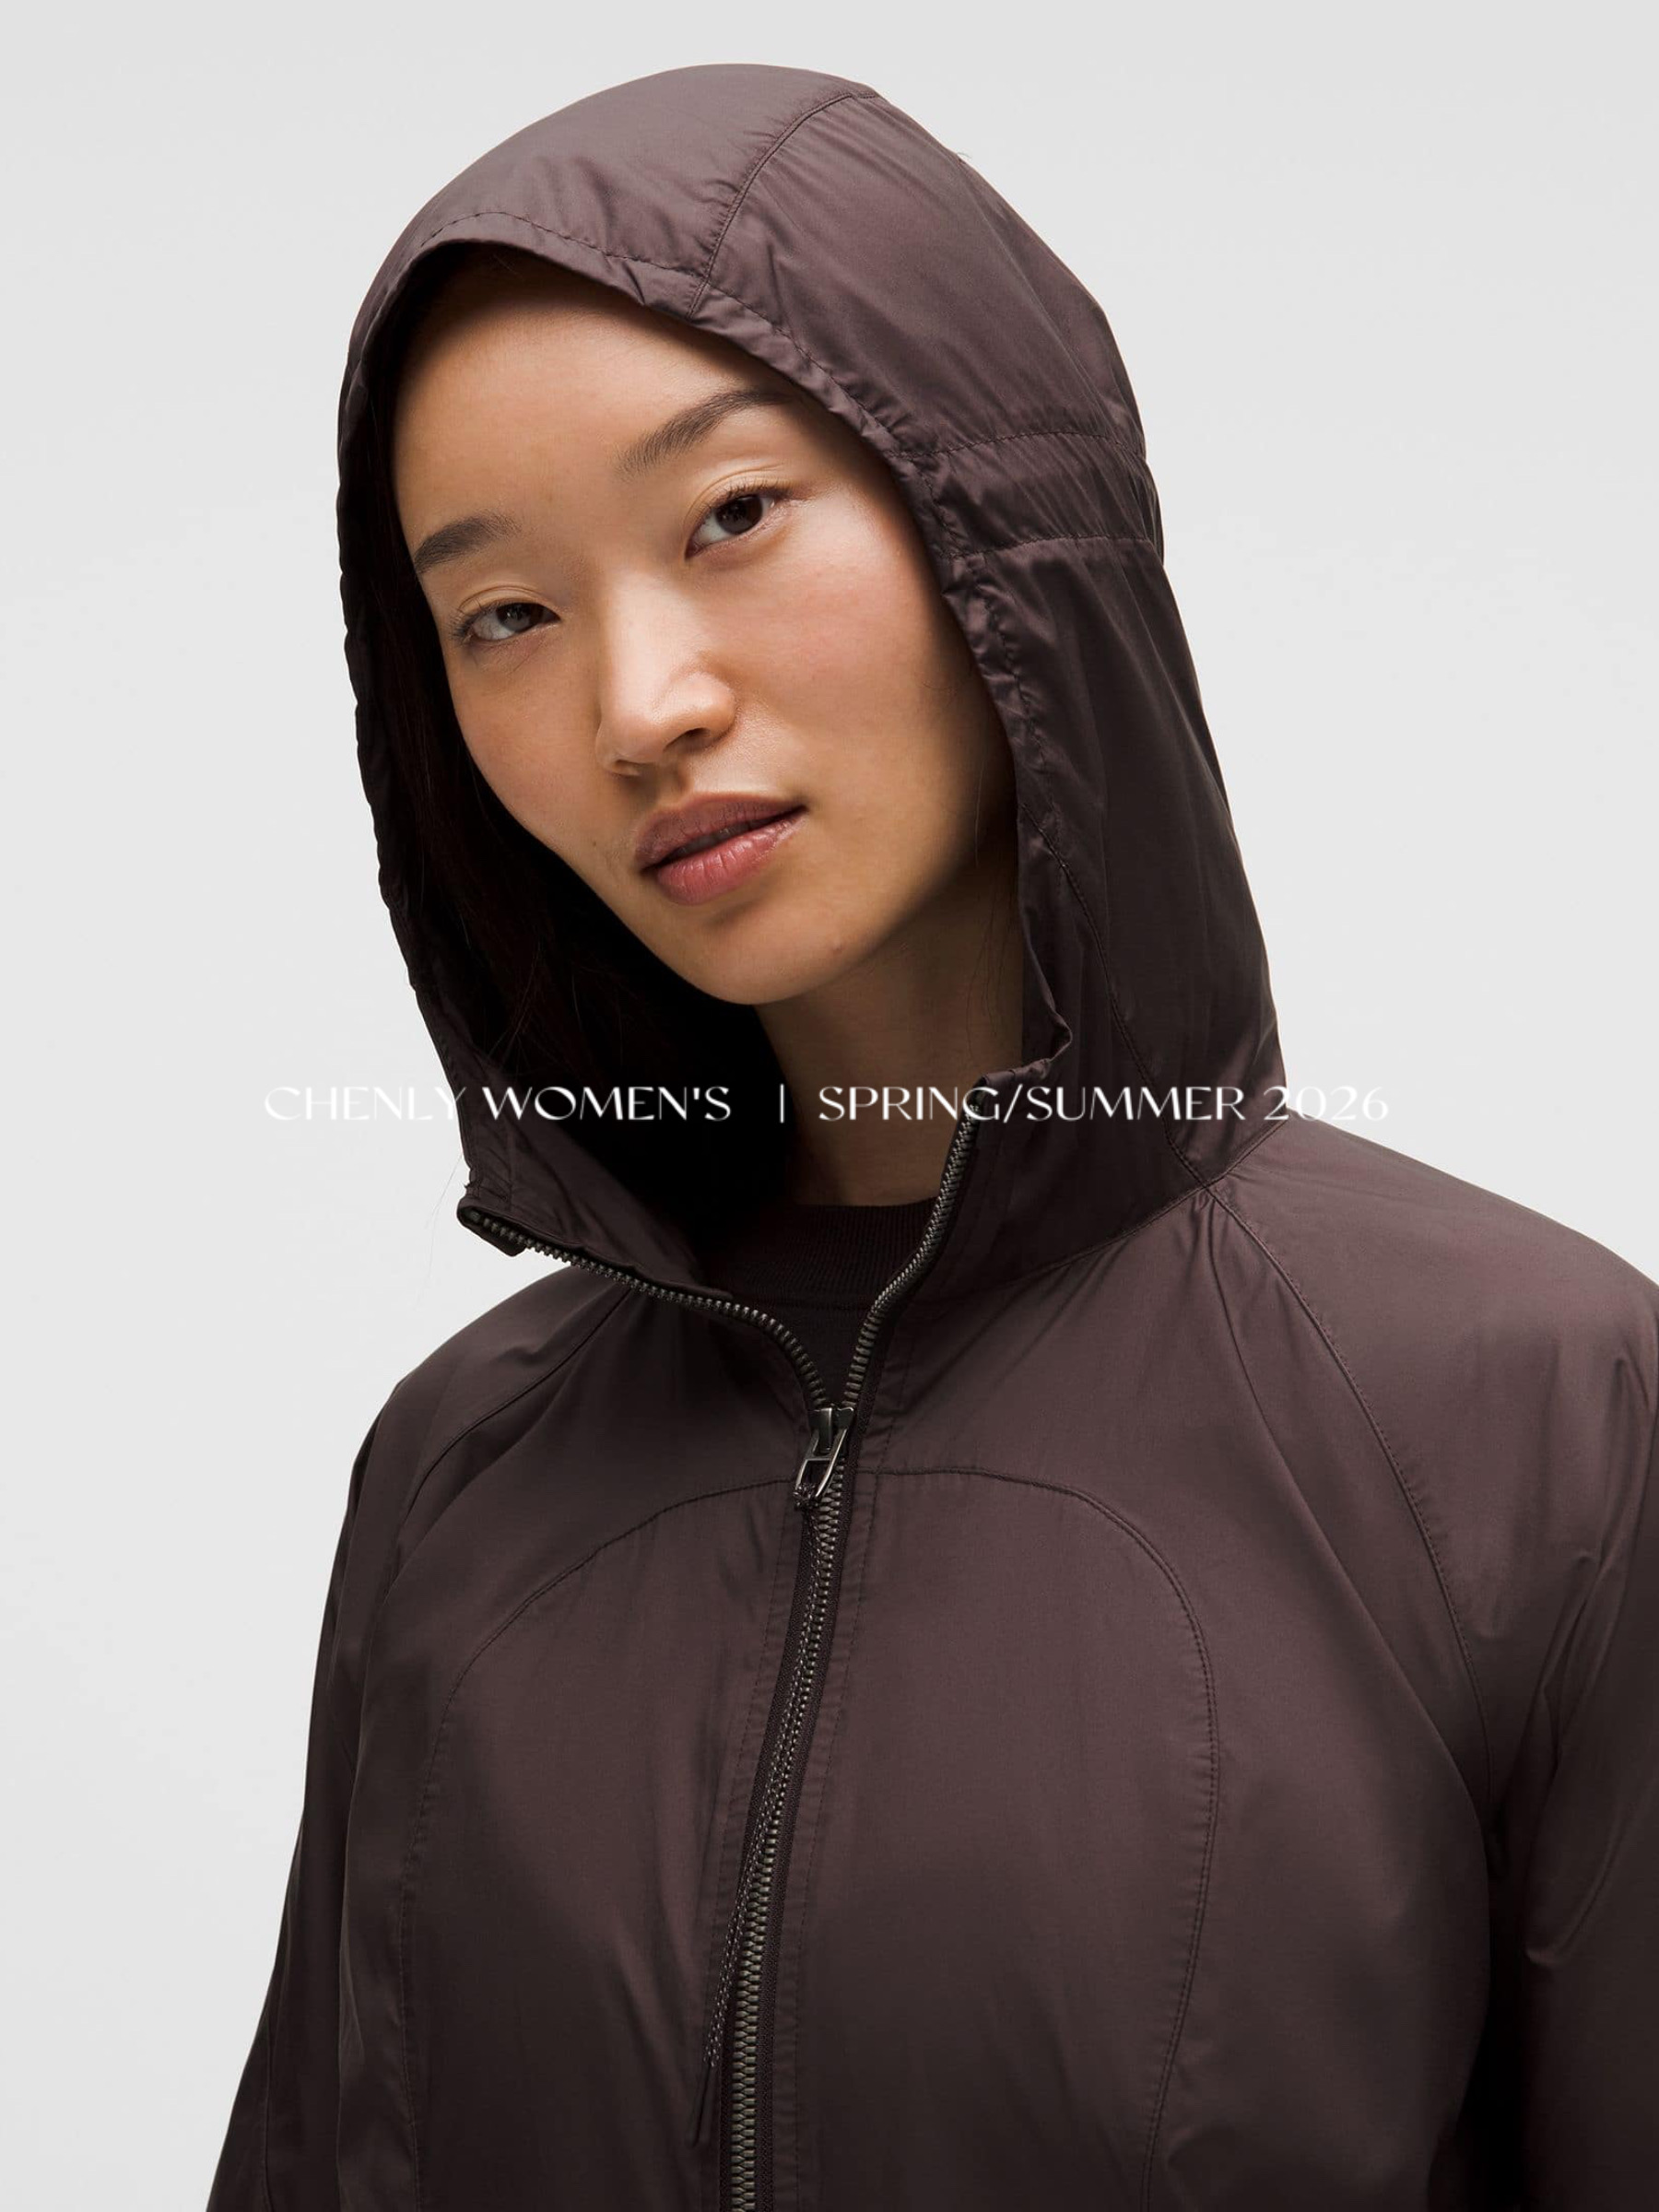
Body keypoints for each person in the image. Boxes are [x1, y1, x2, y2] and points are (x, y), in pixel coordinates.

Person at [206, 61, 1659, 2212]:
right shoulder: (457, 1476)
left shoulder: (1539, 1415)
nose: (639, 704)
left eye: (730, 516)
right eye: (502, 615)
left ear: (1001, 525)